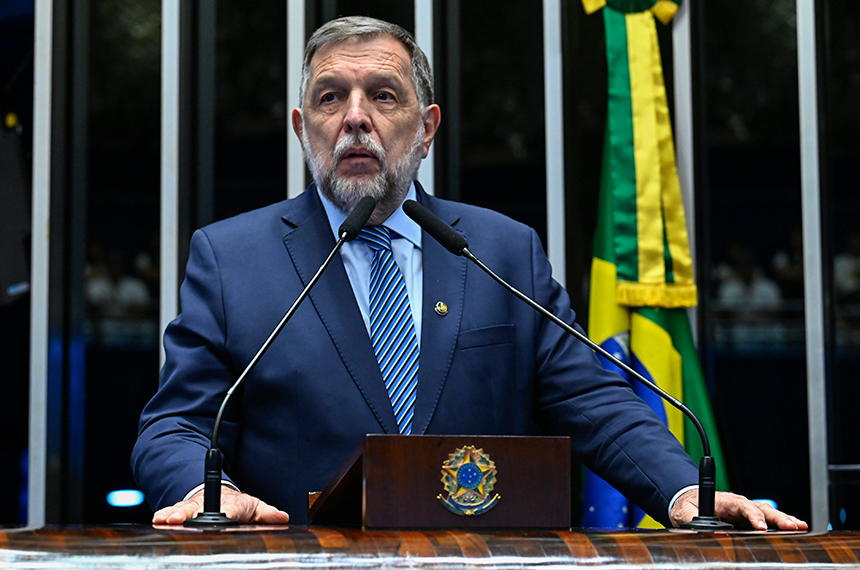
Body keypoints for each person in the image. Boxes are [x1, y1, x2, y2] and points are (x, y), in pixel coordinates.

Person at [132, 16, 806, 531]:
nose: (356, 119)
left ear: (425, 129)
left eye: (383, 96)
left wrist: (687, 491)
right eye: (332, 98)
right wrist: (204, 493)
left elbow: (596, 403)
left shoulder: (501, 251)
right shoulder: (233, 258)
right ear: (301, 126)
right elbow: (175, 426)